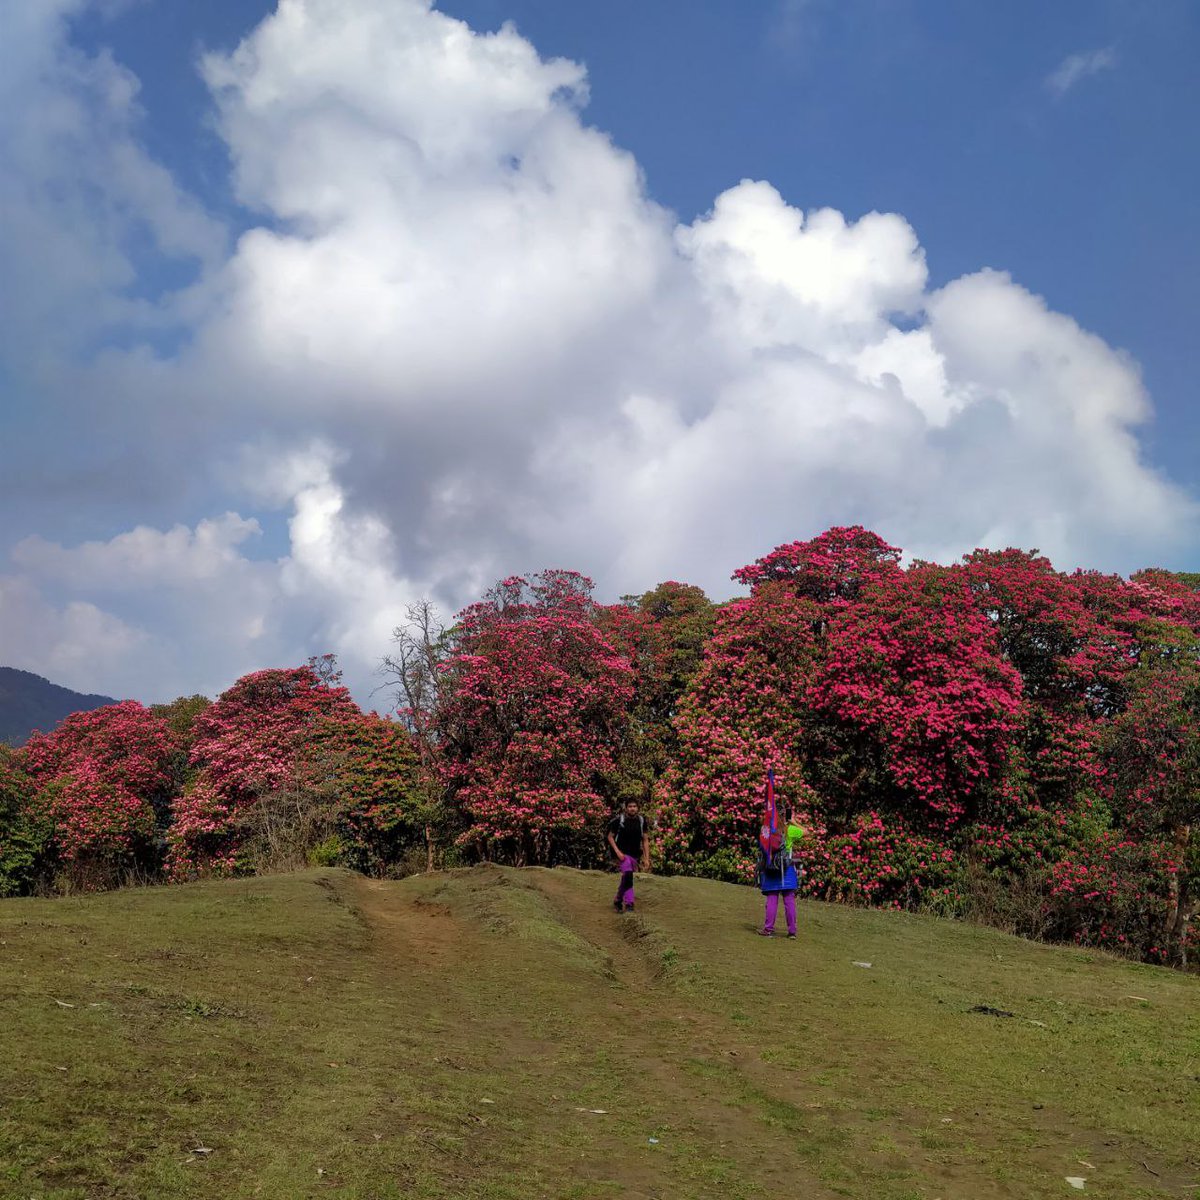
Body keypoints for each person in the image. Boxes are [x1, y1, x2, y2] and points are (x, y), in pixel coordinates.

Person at [758, 804, 801, 938]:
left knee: (772, 898)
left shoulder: (768, 829)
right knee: (789, 900)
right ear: (785, 816)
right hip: (786, 867)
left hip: (771, 867)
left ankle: (768, 929)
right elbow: (807, 832)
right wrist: (794, 822)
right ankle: (792, 931)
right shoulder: (790, 830)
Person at [607, 799, 651, 912]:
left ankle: (618, 899)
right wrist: (618, 852)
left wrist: (647, 859)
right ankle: (629, 904)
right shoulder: (619, 820)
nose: (632, 808)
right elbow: (610, 837)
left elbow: (645, 840)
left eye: (634, 806)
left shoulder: (641, 821)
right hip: (622, 854)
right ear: (626, 808)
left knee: (625, 878)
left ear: (638, 808)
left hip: (634, 855)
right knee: (628, 875)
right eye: (630, 806)